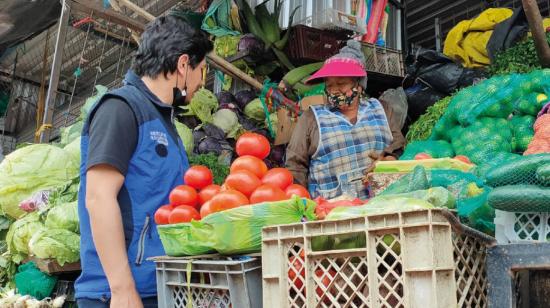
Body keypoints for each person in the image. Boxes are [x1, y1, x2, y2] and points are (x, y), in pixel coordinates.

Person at [75, 16, 213, 308]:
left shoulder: (163, 120)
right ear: (183, 64)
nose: (202, 81)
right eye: (202, 70)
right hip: (116, 295)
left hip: (157, 286)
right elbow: (99, 198)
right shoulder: (120, 109)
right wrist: (123, 289)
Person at [286, 40, 405, 200]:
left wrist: (390, 158)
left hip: (381, 204)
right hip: (331, 213)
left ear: (359, 85)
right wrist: (301, 202)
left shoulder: (382, 109)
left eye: (341, 84)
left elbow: (398, 145)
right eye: (329, 86)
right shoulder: (311, 118)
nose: (334, 90)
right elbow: (295, 164)